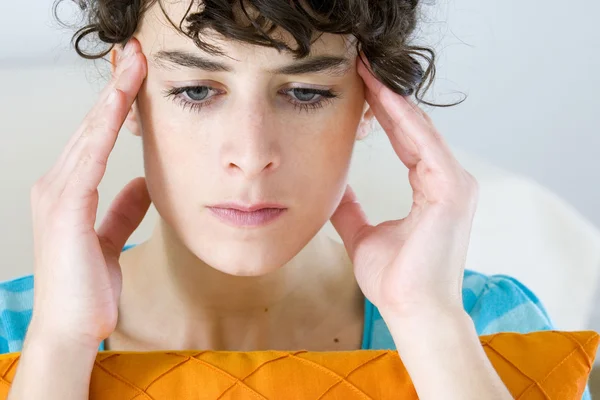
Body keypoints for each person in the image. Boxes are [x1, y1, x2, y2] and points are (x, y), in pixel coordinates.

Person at [0, 0, 589, 399]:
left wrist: (430, 325)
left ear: (368, 102)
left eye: (306, 92)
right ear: (127, 93)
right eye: (197, 89)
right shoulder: (15, 333)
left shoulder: (487, 328)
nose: (251, 152)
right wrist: (59, 344)